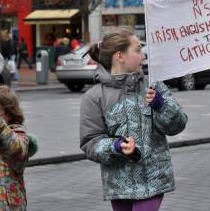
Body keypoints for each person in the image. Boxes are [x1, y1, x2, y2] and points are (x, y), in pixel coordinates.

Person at [79, 26, 188, 211]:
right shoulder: (94, 97)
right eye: (137, 50)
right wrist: (116, 147)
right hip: (119, 183)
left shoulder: (153, 86)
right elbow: (90, 142)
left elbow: (178, 124)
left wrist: (162, 105)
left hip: (154, 179)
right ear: (119, 55)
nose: (143, 55)